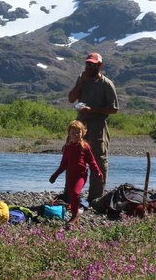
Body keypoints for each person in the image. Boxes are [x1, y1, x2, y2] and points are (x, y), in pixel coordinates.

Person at [67, 52, 119, 202]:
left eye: (92, 65)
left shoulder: (106, 84)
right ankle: (70, 193)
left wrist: (93, 110)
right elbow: (71, 98)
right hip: (80, 124)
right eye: (87, 64)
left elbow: (114, 109)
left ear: (100, 66)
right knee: (73, 157)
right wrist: (80, 83)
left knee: (98, 160)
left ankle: (95, 196)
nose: (89, 67)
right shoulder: (81, 80)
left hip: (98, 125)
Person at [49, 120, 104, 228]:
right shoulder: (67, 148)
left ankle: (75, 216)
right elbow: (63, 165)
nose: (75, 135)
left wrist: (98, 173)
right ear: (69, 133)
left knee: (75, 193)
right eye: (73, 132)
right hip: (71, 176)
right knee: (72, 196)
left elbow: (92, 162)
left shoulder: (85, 147)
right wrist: (54, 176)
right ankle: (75, 216)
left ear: (82, 133)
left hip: (81, 176)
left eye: (78, 133)